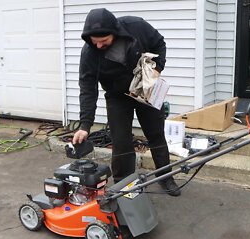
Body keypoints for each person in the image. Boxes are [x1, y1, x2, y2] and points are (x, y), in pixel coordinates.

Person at [72, 8, 181, 196]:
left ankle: (165, 177)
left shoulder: (136, 27)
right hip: (117, 96)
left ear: (114, 33)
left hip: (144, 89)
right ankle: (124, 185)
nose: (98, 46)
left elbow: (159, 43)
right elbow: (88, 89)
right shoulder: (89, 54)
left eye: (103, 41)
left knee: (155, 134)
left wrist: (158, 68)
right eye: (94, 42)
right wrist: (85, 124)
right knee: (121, 141)